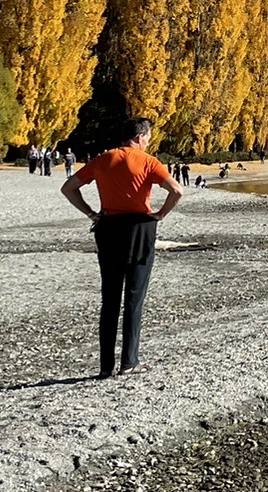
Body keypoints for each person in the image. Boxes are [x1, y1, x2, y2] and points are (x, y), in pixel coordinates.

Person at [61, 117, 184, 378]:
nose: (149, 142)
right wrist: (160, 214)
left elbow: (68, 187)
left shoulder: (104, 159)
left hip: (108, 228)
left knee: (110, 298)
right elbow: (176, 191)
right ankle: (130, 361)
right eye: (148, 138)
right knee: (134, 297)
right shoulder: (148, 162)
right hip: (140, 227)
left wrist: (91, 213)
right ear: (140, 138)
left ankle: (106, 367)